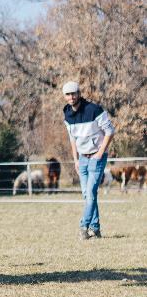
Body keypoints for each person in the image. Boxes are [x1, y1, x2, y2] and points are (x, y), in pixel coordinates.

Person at [62, 81, 115, 240]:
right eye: (68, 94)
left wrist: (100, 153)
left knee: (90, 193)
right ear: (64, 96)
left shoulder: (94, 110)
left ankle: (83, 227)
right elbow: (72, 138)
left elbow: (110, 131)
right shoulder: (67, 113)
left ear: (79, 93)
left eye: (74, 93)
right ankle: (96, 229)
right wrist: (75, 160)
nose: (71, 97)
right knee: (87, 195)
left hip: (96, 157)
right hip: (82, 159)